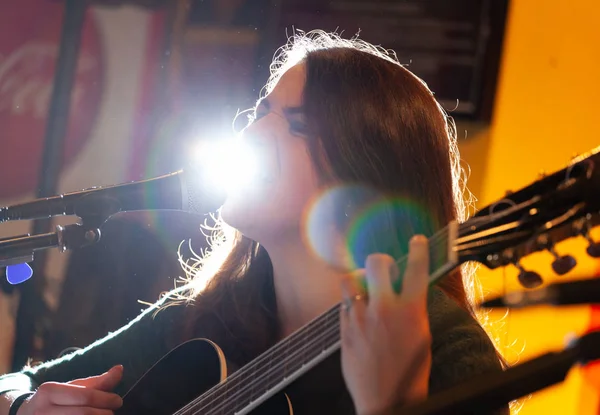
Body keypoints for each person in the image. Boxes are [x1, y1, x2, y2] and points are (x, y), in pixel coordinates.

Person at [0, 31, 508, 415]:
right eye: (262, 111)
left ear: (367, 177)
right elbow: (11, 385)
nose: (251, 130)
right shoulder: (211, 316)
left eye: (296, 124)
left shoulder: (447, 352)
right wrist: (26, 406)